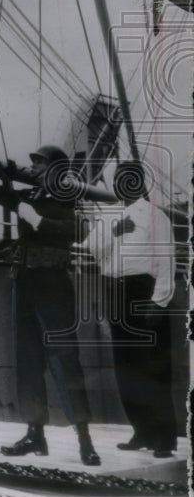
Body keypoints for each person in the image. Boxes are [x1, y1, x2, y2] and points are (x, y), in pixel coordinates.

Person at [0, 132, 100, 465]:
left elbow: (80, 230)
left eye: (39, 163)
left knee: (64, 359)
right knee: (27, 360)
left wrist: (39, 220)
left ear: (55, 167)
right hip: (26, 282)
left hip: (52, 283)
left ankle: (84, 439)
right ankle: (34, 435)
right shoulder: (33, 195)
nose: (34, 167)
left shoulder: (68, 192)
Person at [74, 162, 177, 458]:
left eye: (127, 178)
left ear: (140, 181)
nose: (121, 184)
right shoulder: (109, 216)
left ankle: (165, 438)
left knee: (153, 366)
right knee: (126, 366)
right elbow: (91, 249)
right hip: (114, 290)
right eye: (117, 179)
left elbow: (165, 259)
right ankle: (142, 430)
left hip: (143, 290)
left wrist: (159, 300)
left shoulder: (155, 216)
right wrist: (114, 231)